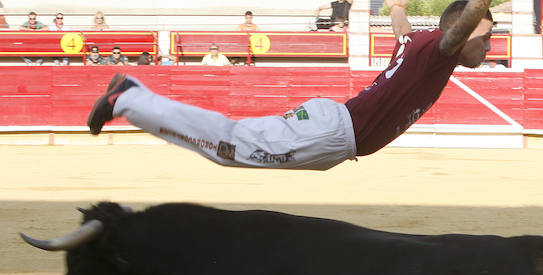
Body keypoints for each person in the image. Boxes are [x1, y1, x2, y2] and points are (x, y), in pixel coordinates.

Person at [86, 0, 494, 171]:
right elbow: (467, 15)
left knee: (233, 143)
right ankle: (129, 97)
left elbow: (401, 24)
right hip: (334, 132)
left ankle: (132, 95)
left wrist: (399, 7)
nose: (489, 46)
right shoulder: (441, 51)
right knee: (230, 146)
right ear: (463, 29)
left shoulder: (417, 43)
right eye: (487, 36)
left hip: (333, 125)